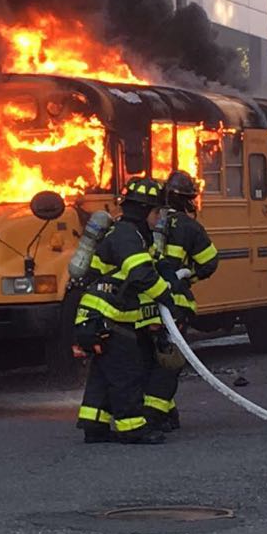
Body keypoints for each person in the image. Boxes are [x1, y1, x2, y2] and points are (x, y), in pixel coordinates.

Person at [74, 177, 176, 445]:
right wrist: (166, 296)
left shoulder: (129, 234)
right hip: (110, 318)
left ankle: (94, 425)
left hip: (99, 317)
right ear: (144, 211)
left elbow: (150, 265)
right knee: (127, 374)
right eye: (156, 212)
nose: (159, 218)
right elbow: (140, 273)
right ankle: (132, 428)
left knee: (103, 373)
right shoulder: (127, 236)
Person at [145, 170, 219, 430]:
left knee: (149, 359)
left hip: (143, 303)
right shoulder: (189, 226)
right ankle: (155, 416)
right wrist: (187, 277)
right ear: (186, 199)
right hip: (174, 304)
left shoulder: (147, 221)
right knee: (169, 361)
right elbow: (210, 262)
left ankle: (167, 413)